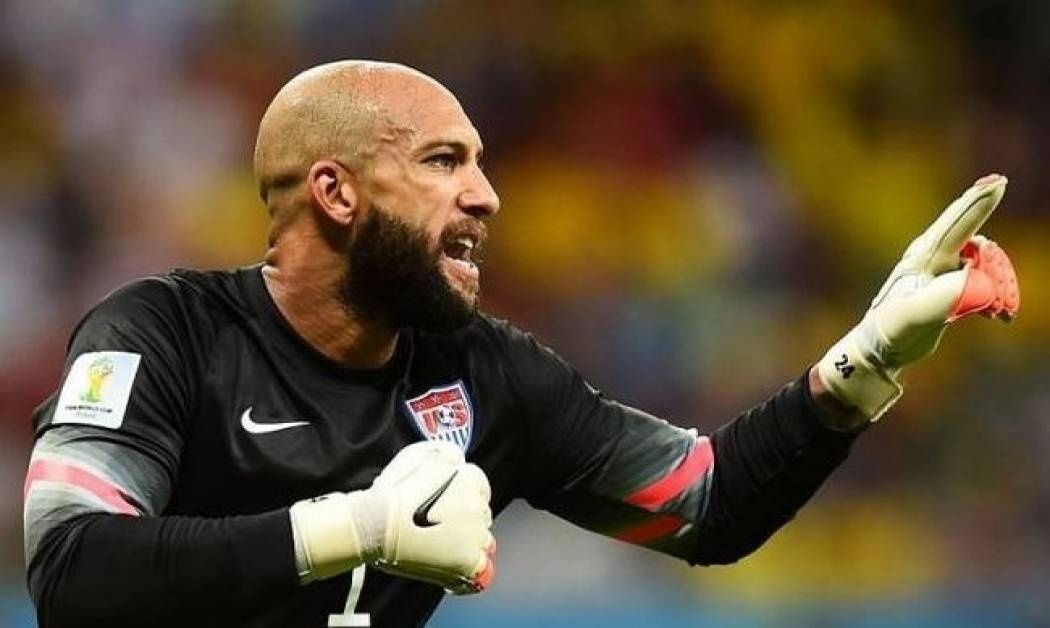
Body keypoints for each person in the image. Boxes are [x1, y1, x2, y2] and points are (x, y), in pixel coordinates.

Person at [22, 60, 1020, 628]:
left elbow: (708, 505)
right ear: (336, 192)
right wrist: (357, 529)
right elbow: (69, 570)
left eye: (480, 162)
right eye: (443, 162)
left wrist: (863, 364)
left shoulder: (487, 375)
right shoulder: (160, 333)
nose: (486, 195)